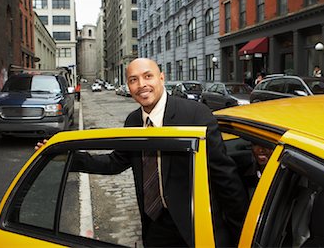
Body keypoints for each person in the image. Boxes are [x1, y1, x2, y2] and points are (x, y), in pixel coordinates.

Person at [36, 58, 248, 247]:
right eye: (133, 80)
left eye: (148, 76)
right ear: (128, 85)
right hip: (155, 225)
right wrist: (67, 157)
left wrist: (242, 234)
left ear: (161, 78)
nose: (141, 85)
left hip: (196, 225)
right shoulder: (133, 121)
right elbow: (115, 162)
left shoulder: (195, 115)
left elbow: (225, 178)